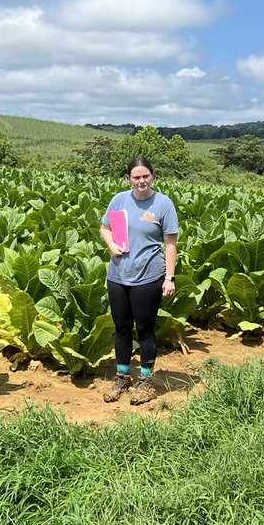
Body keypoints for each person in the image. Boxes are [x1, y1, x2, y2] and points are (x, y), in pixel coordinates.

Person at [100, 157, 179, 405]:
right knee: (121, 328)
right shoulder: (119, 200)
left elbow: (170, 245)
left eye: (145, 176)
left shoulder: (163, 204)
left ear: (152, 176)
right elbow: (105, 227)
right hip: (118, 275)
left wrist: (169, 277)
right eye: (136, 177)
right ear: (128, 179)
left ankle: (146, 380)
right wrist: (112, 244)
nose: (141, 181)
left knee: (145, 329)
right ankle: (122, 376)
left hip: (148, 276)